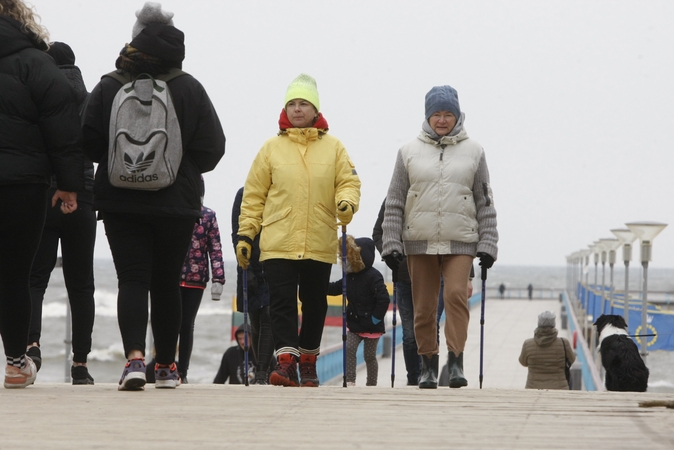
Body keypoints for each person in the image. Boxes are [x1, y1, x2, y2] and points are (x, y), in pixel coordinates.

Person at [81, 3, 225, 391]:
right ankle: (165, 367)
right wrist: (179, 166)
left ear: (135, 37)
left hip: (120, 200)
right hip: (176, 203)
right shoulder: (190, 87)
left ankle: (133, 362)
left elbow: (88, 140)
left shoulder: (111, 84)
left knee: (132, 279)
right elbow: (214, 148)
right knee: (165, 283)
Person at [236, 73, 361, 387]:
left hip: (318, 238)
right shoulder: (270, 149)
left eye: (303, 103)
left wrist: (346, 203)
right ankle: (286, 362)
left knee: (316, 301)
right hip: (278, 238)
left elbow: (348, 183)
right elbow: (253, 195)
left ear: (315, 109)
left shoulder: (334, 148)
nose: (297, 109)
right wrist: (246, 234)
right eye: (292, 103)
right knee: (281, 301)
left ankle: (308, 362)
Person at [381, 85, 498, 389]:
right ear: (427, 116)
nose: (442, 120)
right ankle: (427, 366)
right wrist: (391, 244)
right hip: (419, 242)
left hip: (461, 241)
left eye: (448, 114)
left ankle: (456, 362)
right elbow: (394, 201)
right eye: (437, 114)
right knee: (424, 307)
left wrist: (487, 245)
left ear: (458, 116)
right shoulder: (407, 152)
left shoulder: (474, 151)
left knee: (456, 295)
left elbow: (484, 200)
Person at [1, 0, 83, 389]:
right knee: (15, 275)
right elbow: (62, 124)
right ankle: (17, 364)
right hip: (23, 184)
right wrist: (68, 184)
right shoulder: (35, 62)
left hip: (25, 179)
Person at [27, 41, 97, 385]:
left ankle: (31, 346)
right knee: (81, 286)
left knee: (34, 280)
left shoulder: (39, 96)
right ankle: (81, 364)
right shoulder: (90, 100)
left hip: (45, 197)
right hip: (82, 197)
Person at [328, 236, 390, 386]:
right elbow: (336, 288)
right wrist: (320, 285)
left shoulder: (374, 276)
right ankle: (350, 380)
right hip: (355, 324)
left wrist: (375, 319)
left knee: (369, 356)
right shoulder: (350, 276)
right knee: (349, 349)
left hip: (372, 325)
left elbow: (384, 299)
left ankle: (371, 383)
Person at [177, 201, 225, 384]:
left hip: (195, 280)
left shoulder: (208, 216)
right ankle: (165, 365)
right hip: (171, 276)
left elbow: (215, 247)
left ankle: (182, 371)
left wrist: (218, 279)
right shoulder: (176, 210)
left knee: (187, 324)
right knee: (169, 322)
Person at [373, 199, 420, 385]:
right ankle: (413, 378)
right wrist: (389, 253)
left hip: (432, 275)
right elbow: (378, 233)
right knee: (409, 334)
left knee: (429, 329)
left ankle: (427, 376)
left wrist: (468, 275)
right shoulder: (393, 198)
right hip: (403, 277)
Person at [231, 187, 274, 385]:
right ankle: (261, 368)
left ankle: (263, 372)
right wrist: (245, 266)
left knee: (269, 315)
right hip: (249, 264)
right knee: (256, 321)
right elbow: (236, 232)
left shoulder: (279, 192)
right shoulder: (244, 194)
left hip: (274, 261)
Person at [519, 311, 575, 390]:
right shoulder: (564, 343)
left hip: (533, 388)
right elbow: (572, 360)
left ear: (539, 324)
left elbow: (523, 362)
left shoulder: (528, 343)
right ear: (553, 324)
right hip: (559, 389)